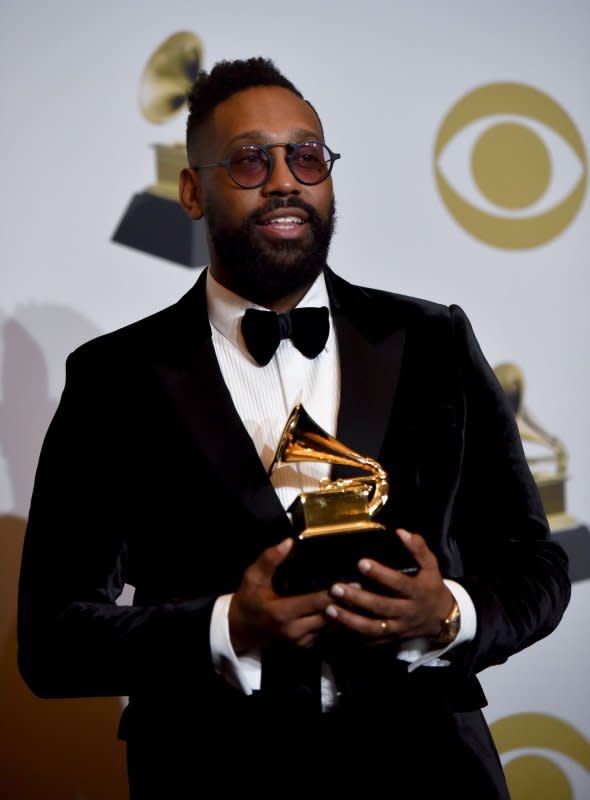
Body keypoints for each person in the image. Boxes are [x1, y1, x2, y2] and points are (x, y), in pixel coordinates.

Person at [17, 56, 571, 799]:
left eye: (306, 155)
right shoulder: (116, 377)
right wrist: (226, 628)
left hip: (433, 774)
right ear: (191, 190)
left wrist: (449, 613)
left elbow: (536, 567)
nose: (285, 178)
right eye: (249, 160)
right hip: (212, 777)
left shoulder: (434, 340)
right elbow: (52, 641)